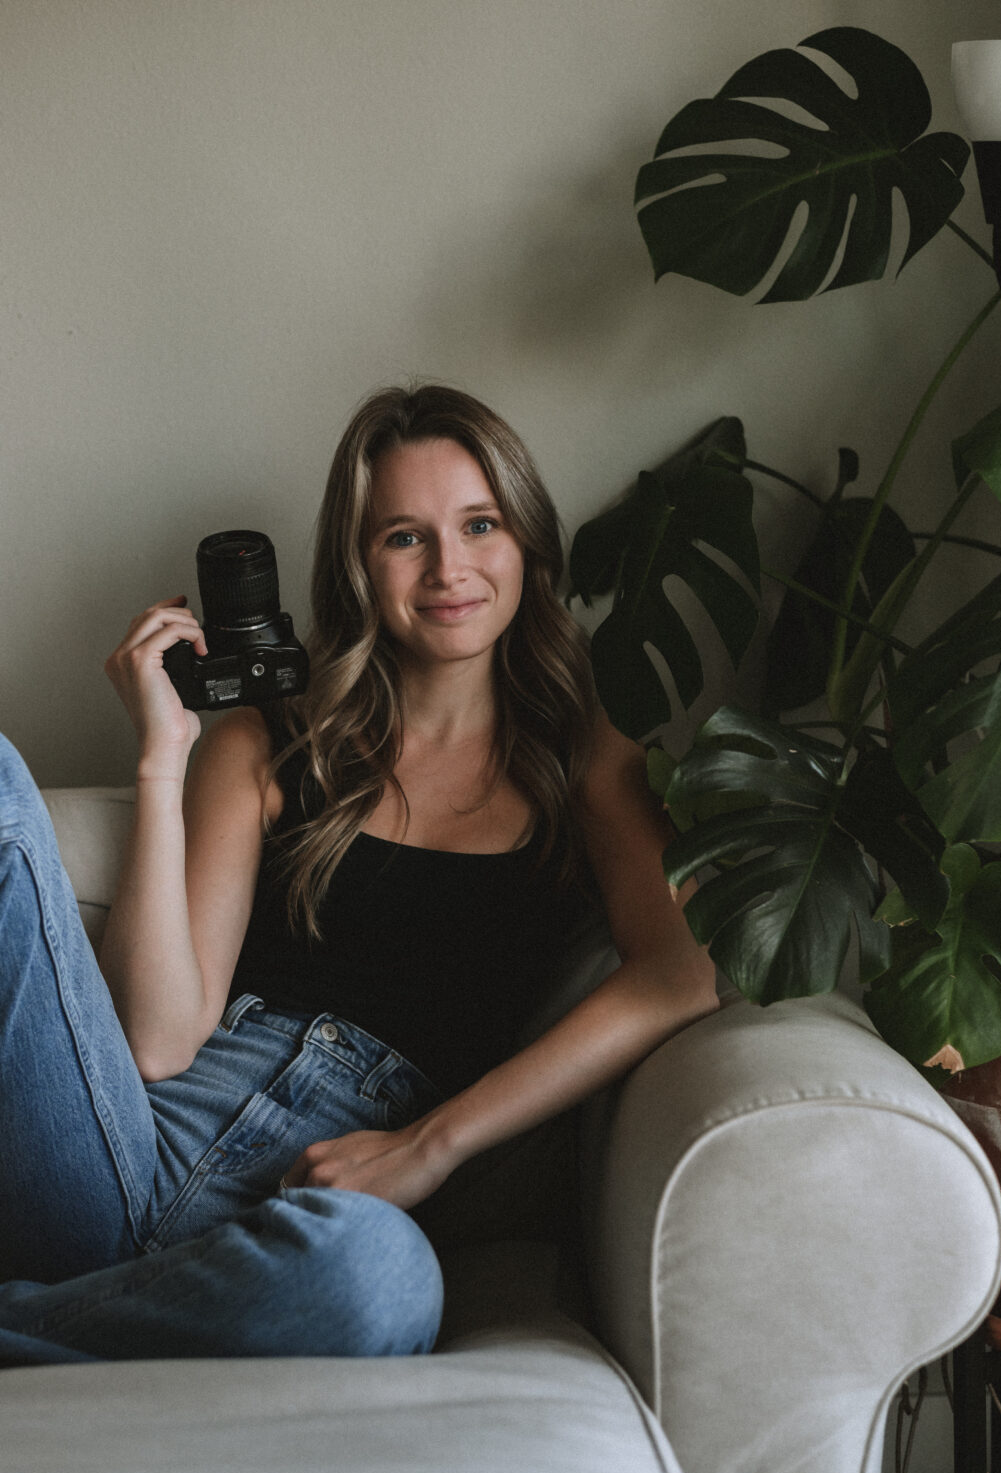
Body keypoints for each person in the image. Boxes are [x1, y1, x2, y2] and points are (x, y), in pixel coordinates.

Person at [0, 383, 717, 1365]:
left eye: (478, 524)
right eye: (404, 538)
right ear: (358, 564)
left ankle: (52, 1324)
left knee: (380, 1280)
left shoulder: (578, 757)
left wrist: (432, 1144)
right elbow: (160, 1043)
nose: (449, 568)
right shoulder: (265, 741)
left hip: (320, 1206)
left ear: (524, 545)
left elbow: (682, 970)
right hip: (119, 1149)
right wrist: (162, 755)